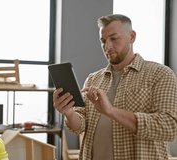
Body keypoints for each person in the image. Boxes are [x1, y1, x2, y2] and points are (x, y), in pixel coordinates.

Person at [53, 14, 177, 160]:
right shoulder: (93, 79)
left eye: (113, 38)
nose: (107, 46)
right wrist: (69, 113)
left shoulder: (160, 74)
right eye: (103, 41)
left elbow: (168, 128)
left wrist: (111, 111)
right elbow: (79, 126)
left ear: (132, 36)